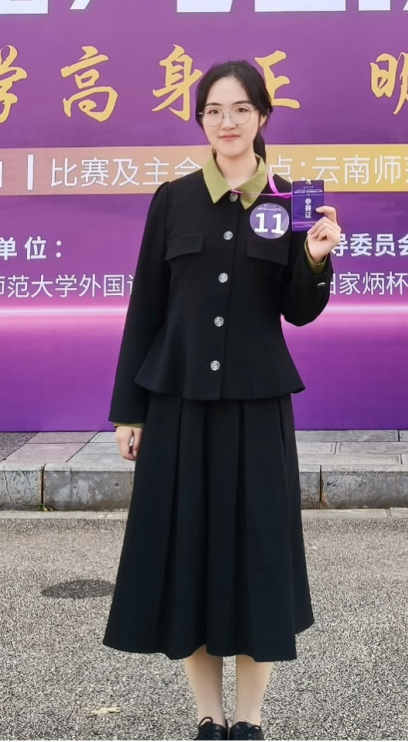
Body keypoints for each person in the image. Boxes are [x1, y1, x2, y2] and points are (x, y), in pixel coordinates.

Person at [103, 59, 342, 742]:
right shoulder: (172, 200)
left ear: (262, 116)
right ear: (201, 120)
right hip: (178, 406)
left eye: (240, 109)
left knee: (256, 558)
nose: (227, 122)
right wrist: (129, 410)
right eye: (213, 110)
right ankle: (208, 717)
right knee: (189, 555)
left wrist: (316, 258)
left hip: (255, 407)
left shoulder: (291, 202)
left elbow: (297, 310)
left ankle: (249, 720)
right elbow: (146, 309)